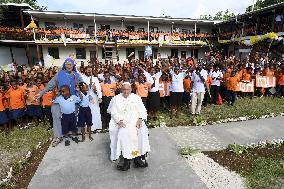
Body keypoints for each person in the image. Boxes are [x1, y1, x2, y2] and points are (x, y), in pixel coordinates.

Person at [34, 57, 82, 147]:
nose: (69, 66)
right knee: (56, 116)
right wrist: (41, 93)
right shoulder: (59, 74)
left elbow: (82, 86)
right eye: (67, 64)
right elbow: (50, 85)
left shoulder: (77, 75)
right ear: (64, 65)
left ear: (73, 66)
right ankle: (58, 136)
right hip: (60, 99)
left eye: (70, 64)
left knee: (72, 118)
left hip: (72, 100)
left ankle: (70, 134)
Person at [107, 82, 150, 171]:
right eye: (124, 89)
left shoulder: (136, 98)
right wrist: (119, 121)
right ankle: (127, 161)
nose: (126, 91)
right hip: (124, 122)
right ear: (121, 90)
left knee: (142, 132)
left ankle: (138, 159)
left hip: (136, 121)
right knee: (124, 133)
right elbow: (113, 112)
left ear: (131, 89)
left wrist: (140, 119)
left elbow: (143, 110)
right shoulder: (116, 99)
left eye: (128, 89)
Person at [80, 66, 103, 132]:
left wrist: (100, 97)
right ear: (85, 71)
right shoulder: (83, 78)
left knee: (95, 112)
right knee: (87, 112)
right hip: (86, 98)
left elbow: (98, 88)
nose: (89, 71)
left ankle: (96, 127)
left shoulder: (95, 79)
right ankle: (88, 128)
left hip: (94, 97)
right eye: (88, 70)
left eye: (90, 70)